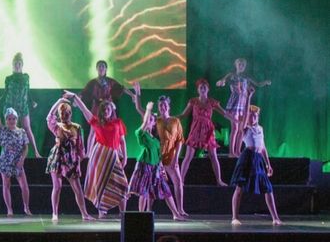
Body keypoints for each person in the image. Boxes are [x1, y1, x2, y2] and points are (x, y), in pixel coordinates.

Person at [63, 90, 128, 218]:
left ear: (112, 110)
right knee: (100, 183)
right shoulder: (96, 122)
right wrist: (75, 96)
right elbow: (84, 110)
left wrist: (125, 157)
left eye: (108, 109)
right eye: (104, 109)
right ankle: (101, 212)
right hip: (99, 155)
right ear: (101, 111)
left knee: (122, 184)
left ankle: (123, 213)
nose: (106, 111)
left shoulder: (118, 123)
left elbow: (122, 141)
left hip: (113, 155)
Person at [131, 83, 187, 216]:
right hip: (157, 158)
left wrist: (176, 159)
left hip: (171, 157)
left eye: (164, 105)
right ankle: (147, 211)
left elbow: (179, 140)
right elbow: (140, 109)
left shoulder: (175, 121)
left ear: (169, 106)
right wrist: (138, 93)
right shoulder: (156, 120)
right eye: (160, 105)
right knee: (152, 184)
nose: (162, 107)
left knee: (178, 182)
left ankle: (180, 210)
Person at [229, 105, 282, 225]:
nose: (252, 117)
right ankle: (234, 217)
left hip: (258, 159)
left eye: (255, 115)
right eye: (250, 115)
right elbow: (244, 119)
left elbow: (263, 148)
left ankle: (275, 218)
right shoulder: (245, 128)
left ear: (258, 117)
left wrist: (268, 164)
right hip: (247, 157)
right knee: (239, 187)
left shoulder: (260, 129)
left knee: (268, 188)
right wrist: (248, 97)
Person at [45, 97, 93, 222]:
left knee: (77, 188)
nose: (64, 116)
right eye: (61, 113)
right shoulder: (57, 126)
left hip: (71, 159)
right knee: (57, 187)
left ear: (70, 113)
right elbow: (49, 117)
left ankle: (84, 214)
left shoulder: (76, 127)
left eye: (66, 113)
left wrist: (80, 159)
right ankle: (54, 213)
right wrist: (59, 101)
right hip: (57, 157)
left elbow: (80, 146)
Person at [179, 79, 232, 185]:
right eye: (201, 87)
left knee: (213, 156)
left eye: (204, 87)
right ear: (198, 90)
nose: (202, 89)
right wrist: (169, 118)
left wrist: (235, 120)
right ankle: (181, 181)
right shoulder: (193, 101)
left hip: (208, 130)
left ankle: (219, 180)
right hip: (195, 130)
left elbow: (224, 113)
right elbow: (183, 115)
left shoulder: (212, 102)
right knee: (188, 156)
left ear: (208, 89)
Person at [216, 58, 271, 157]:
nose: (241, 66)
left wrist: (265, 82)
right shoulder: (231, 75)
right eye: (239, 64)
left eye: (243, 65)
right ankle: (231, 152)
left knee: (241, 129)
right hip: (234, 104)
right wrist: (221, 82)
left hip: (243, 104)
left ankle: (237, 151)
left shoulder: (247, 77)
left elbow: (258, 84)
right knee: (235, 128)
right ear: (235, 65)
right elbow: (222, 81)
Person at [0, 96, 31, 216]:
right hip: (5, 161)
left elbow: (26, 147)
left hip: (18, 161)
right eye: (9, 119)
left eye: (13, 118)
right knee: (6, 185)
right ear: (6, 120)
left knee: (24, 186)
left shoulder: (21, 131)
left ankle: (26, 207)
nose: (11, 121)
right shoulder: (3, 130)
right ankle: (9, 209)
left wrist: (22, 159)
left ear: (17, 119)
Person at [80, 60, 132, 154]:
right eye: (99, 66)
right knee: (93, 130)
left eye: (103, 66)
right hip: (97, 108)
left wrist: (133, 95)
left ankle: (118, 151)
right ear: (96, 69)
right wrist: (76, 99)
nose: (101, 68)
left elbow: (122, 88)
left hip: (108, 108)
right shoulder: (92, 82)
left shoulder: (110, 81)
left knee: (115, 129)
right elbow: (84, 93)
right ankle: (89, 153)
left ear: (106, 69)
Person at [0, 53, 41, 158]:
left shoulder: (26, 77)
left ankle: (36, 152)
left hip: (22, 106)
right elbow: (5, 92)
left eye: (19, 63)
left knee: (27, 128)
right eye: (15, 64)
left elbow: (28, 91)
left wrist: (32, 101)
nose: (17, 65)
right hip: (10, 106)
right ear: (12, 65)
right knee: (8, 130)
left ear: (22, 64)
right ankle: (6, 154)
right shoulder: (8, 78)